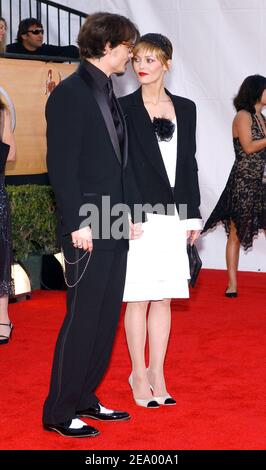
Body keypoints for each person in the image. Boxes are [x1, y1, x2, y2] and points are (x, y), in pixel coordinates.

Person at [43, 12, 142, 438]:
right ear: (107, 46)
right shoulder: (70, 93)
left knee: (105, 318)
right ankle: (59, 412)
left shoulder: (108, 90)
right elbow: (62, 168)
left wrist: (128, 215)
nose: (131, 55)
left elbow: (115, 165)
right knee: (82, 318)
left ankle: (85, 397)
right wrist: (78, 224)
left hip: (113, 221)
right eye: (127, 47)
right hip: (86, 227)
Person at [118, 34, 202, 408]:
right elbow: (119, 167)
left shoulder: (186, 108)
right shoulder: (121, 107)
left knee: (164, 298)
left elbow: (189, 163)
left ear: (167, 63)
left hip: (172, 216)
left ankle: (157, 372)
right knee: (137, 298)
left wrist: (193, 213)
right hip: (138, 215)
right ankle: (137, 373)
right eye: (138, 58)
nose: (142, 66)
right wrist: (127, 213)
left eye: (151, 59)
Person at [202, 75, 266, 297]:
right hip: (243, 182)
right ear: (257, 91)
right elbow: (248, 147)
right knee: (236, 234)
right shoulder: (243, 116)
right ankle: (232, 284)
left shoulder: (261, 117)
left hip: (261, 181)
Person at [0, 96, 16, 345]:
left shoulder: (2, 111)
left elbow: (11, 155)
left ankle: (3, 319)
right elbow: (10, 155)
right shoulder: (2, 111)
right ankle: (2, 320)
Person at [6, 17, 79, 59]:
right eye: (35, 32)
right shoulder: (10, 50)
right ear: (24, 36)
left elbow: (74, 50)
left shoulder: (45, 49)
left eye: (42, 32)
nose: (41, 35)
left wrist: (52, 61)